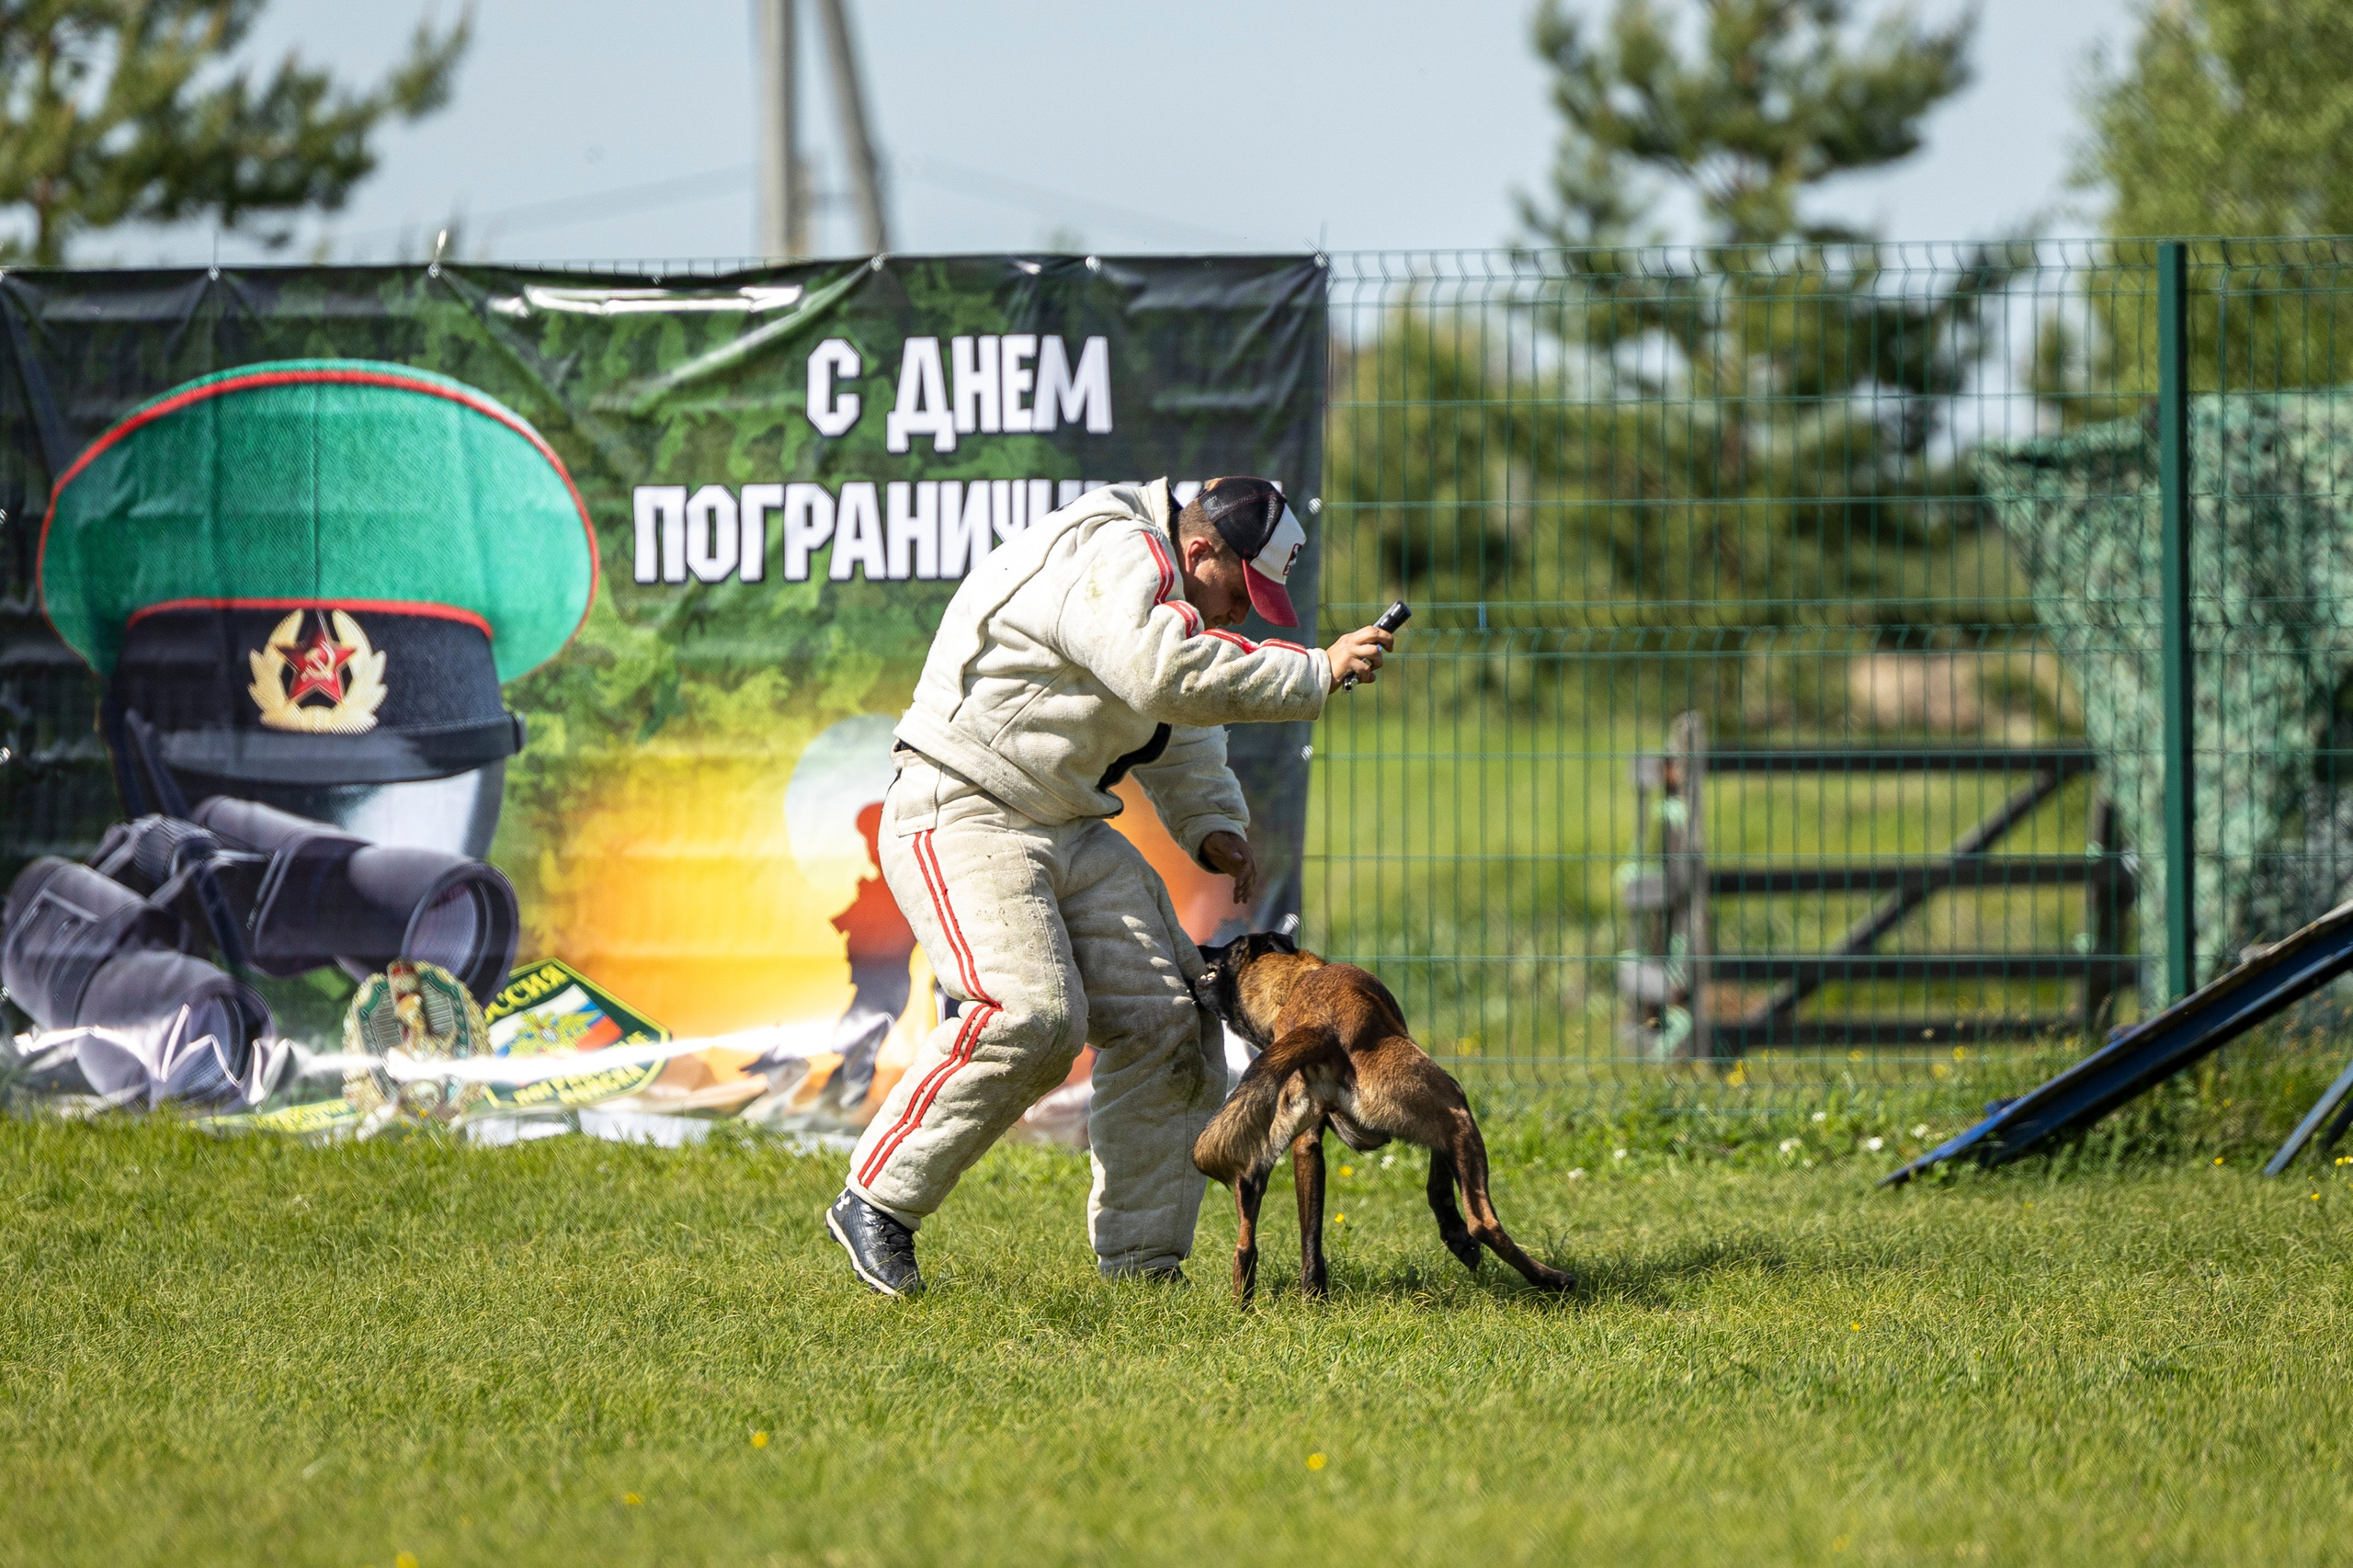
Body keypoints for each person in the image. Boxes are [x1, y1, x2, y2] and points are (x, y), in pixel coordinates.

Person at [824, 476, 1395, 1294]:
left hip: (1064, 822)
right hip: (962, 804)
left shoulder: (1167, 580)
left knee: (1169, 1016)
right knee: (1030, 1015)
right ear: (1200, 549)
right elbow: (1165, 675)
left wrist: (1212, 821)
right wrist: (1314, 671)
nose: (1239, 615)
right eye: (1240, 592)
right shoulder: (1110, 548)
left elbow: (1172, 718)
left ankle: (1142, 1268)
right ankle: (877, 1200)